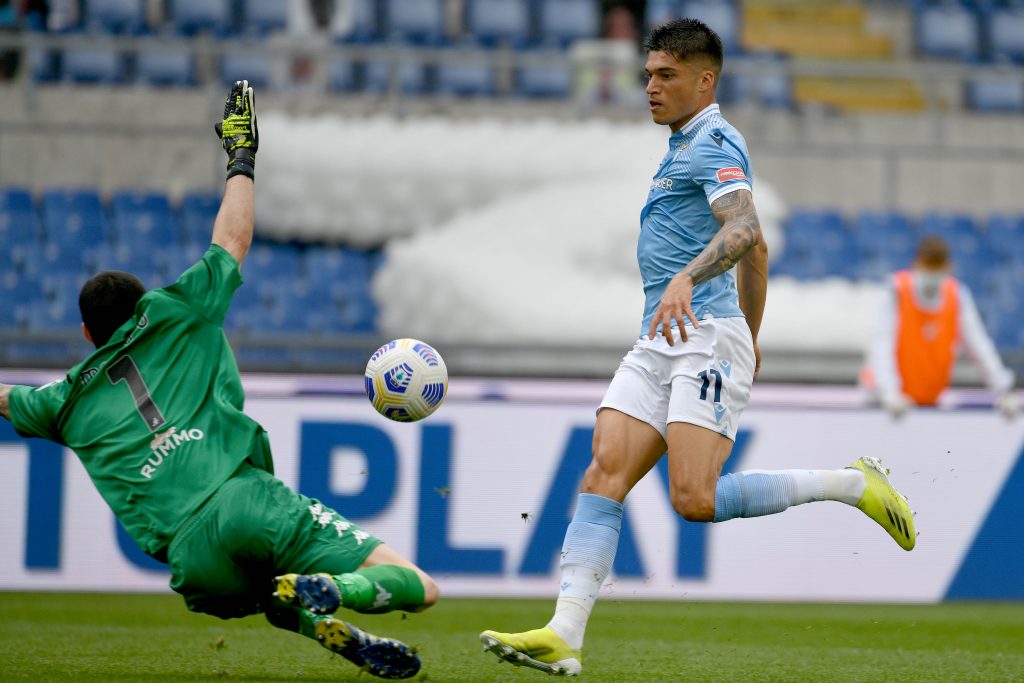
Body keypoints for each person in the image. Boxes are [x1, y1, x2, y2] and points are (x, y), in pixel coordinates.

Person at [479, 20, 916, 677]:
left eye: (667, 75)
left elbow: (745, 226)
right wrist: (754, 336)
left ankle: (852, 484)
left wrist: (692, 282)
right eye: (648, 75)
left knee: (694, 498)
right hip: (662, 338)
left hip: (704, 335)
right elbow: (757, 256)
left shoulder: (715, 139)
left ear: (705, 80)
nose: (650, 87)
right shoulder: (681, 147)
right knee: (603, 473)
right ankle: (564, 633)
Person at [0, 81, 438, 681]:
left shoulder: (60, 401)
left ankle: (322, 623)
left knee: (270, 594)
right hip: (243, 500)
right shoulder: (176, 308)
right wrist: (241, 156)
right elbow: (232, 238)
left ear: (85, 333)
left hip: (192, 560)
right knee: (419, 585)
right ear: (141, 304)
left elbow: (4, 399)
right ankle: (338, 591)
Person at [863, 234, 1018, 419]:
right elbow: (882, 345)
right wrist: (890, 393)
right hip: (883, 404)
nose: (933, 272)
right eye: (929, 265)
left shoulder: (957, 295)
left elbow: (979, 345)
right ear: (917, 263)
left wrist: (1003, 389)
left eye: (937, 266)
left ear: (948, 267)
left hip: (928, 401)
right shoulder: (895, 291)